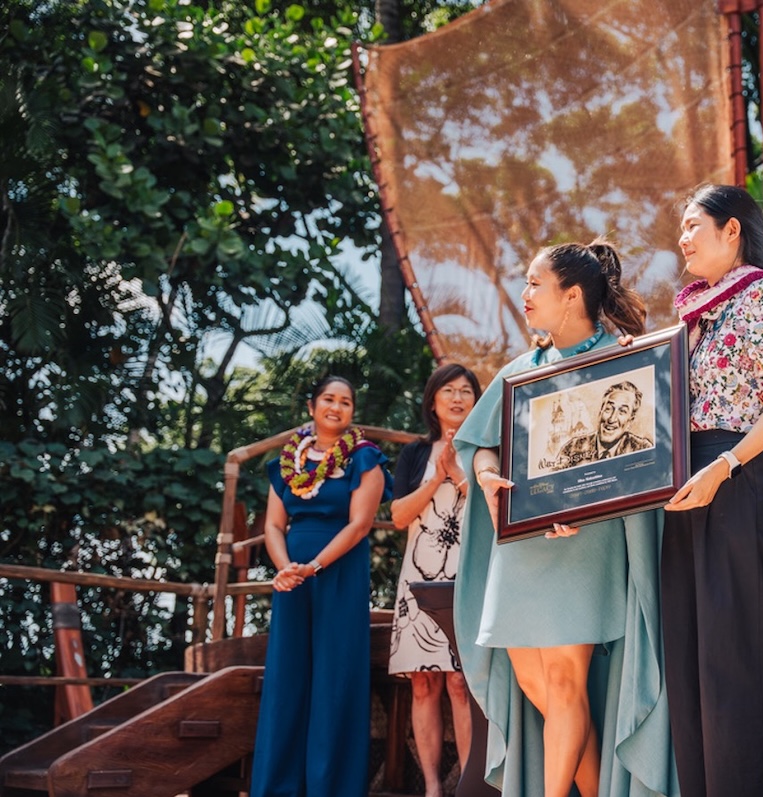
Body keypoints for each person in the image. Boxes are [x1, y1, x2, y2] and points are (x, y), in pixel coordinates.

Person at [453, 240, 678, 797]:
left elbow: (644, 456)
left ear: (571, 295)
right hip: (522, 548)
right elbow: (479, 445)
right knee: (538, 686)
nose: (524, 295)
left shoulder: (623, 359)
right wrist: (486, 478)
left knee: (564, 682)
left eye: (535, 284)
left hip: (585, 543)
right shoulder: (519, 370)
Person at [659, 183, 763, 797]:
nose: (682, 238)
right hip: (681, 481)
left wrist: (723, 469)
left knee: (737, 652)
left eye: (693, 224)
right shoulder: (689, 309)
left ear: (732, 230)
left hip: (737, 476)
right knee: (688, 654)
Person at [251, 375, 394, 797]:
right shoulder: (285, 462)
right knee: (287, 676)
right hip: (292, 580)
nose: (337, 407)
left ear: (353, 412)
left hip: (338, 572)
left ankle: (330, 787)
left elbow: (360, 524)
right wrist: (285, 569)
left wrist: (313, 565)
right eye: (328, 399)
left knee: (335, 676)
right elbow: (275, 524)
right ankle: (278, 786)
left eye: (346, 401)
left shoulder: (364, 458)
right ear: (311, 407)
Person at [388, 362, 482, 797]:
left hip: (469, 575)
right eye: (449, 391)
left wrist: (459, 476)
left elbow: (494, 514)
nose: (459, 398)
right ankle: (431, 788)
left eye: (466, 391)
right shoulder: (413, 454)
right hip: (418, 577)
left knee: (462, 682)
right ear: (432, 401)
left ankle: (467, 784)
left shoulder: (486, 450)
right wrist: (438, 476)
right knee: (423, 681)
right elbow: (399, 516)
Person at [550, 380, 652, 471]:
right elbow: (555, 484)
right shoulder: (572, 448)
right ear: (600, 412)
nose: (612, 419)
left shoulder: (642, 449)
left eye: (622, 412)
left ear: (630, 421)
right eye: (608, 409)